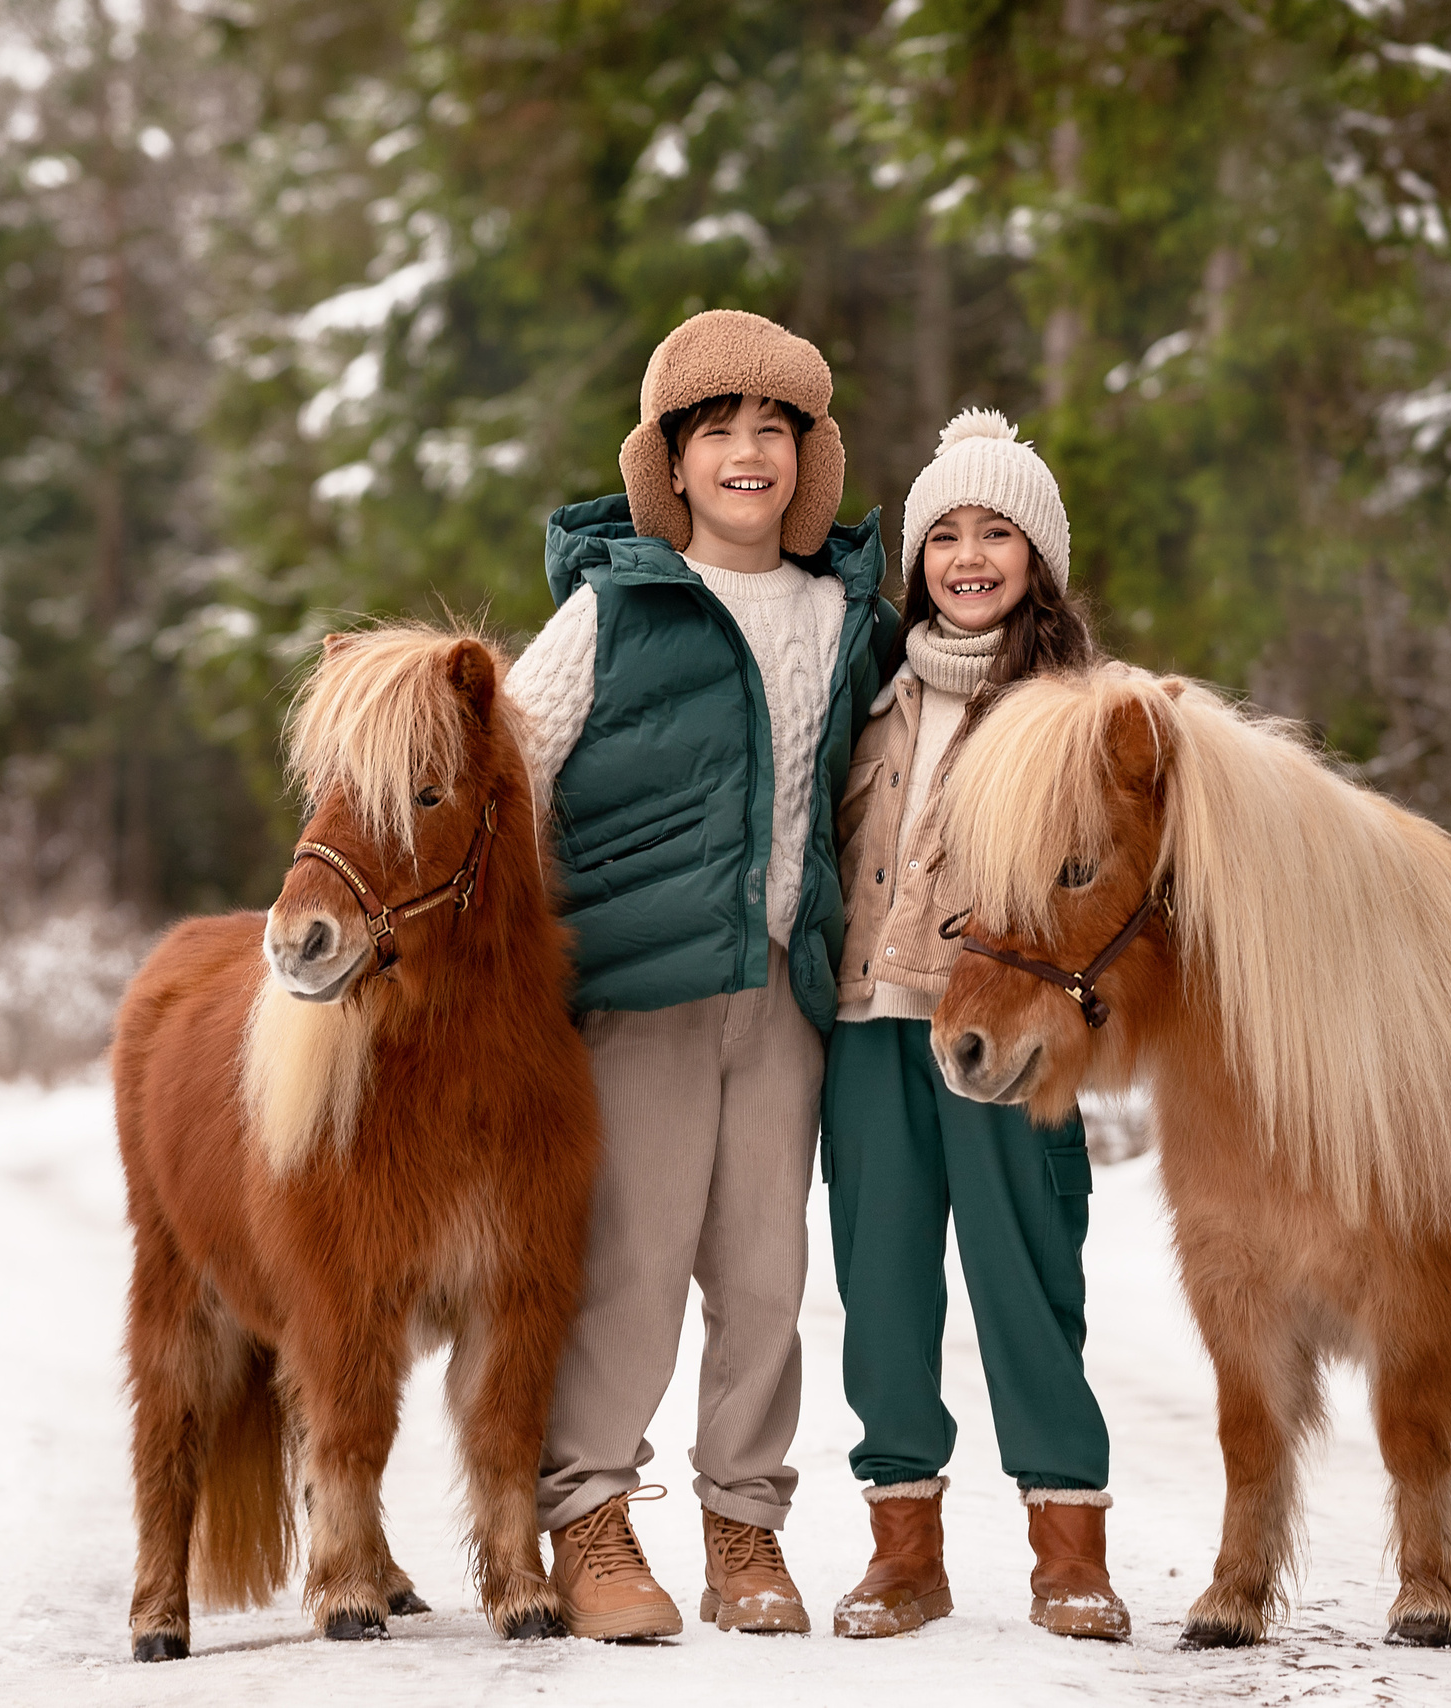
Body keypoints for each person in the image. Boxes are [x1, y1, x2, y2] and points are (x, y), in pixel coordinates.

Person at [504, 308, 897, 1640]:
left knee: (766, 1273)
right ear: (665, 461)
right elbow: (504, 770)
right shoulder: (613, 610)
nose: (747, 450)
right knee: (631, 1257)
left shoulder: (848, 614)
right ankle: (590, 1516)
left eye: (774, 429)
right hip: (638, 999)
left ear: (811, 458)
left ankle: (746, 1522)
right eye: (716, 429)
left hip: (784, 998)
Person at [818, 408, 1127, 1641]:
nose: (966, 555)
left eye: (995, 530)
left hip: (1008, 1031)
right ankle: (904, 1554)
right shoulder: (873, 691)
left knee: (1026, 1273)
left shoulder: (1072, 713)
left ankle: (1069, 1553)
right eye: (943, 533)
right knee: (880, 1285)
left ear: (1036, 558)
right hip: (865, 1023)